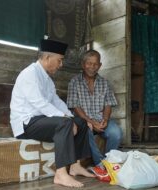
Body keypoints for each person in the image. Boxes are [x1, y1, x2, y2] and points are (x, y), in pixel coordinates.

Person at [10, 39, 95, 188]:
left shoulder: (47, 80)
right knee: (65, 123)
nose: (61, 65)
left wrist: (70, 117)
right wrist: (66, 120)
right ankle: (61, 174)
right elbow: (40, 104)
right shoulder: (30, 74)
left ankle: (75, 166)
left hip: (41, 120)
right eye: (59, 60)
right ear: (48, 58)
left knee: (80, 122)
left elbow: (56, 102)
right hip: (26, 124)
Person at [67, 49, 123, 181]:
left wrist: (105, 120)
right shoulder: (74, 82)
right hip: (84, 120)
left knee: (116, 133)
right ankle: (101, 164)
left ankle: (109, 161)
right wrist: (91, 122)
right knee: (86, 130)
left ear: (100, 65)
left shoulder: (104, 82)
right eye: (89, 63)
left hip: (101, 119)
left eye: (95, 64)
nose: (92, 67)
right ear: (83, 64)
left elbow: (108, 104)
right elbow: (75, 107)